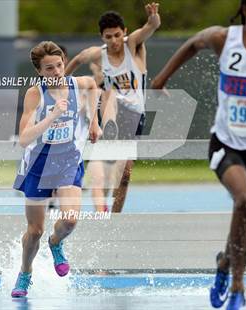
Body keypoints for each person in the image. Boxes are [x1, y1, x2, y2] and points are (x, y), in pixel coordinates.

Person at [152, 0, 246, 308]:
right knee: (245, 200)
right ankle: (237, 288)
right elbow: (192, 44)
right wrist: (161, 79)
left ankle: (223, 264)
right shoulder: (224, 39)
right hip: (226, 144)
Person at [11, 41, 102, 297]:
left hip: (67, 160)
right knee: (35, 231)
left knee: (70, 220)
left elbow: (95, 86)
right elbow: (24, 139)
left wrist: (94, 121)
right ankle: (25, 273)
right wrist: (51, 117)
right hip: (39, 163)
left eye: (59, 65)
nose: (57, 71)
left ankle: (56, 243)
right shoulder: (35, 94)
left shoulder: (78, 84)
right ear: (40, 71)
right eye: (49, 68)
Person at [65, 3, 161, 212]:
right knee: (110, 96)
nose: (114, 41)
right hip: (111, 111)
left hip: (135, 115)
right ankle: (108, 127)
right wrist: (60, 82)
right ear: (102, 37)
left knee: (124, 176)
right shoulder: (98, 54)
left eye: (117, 35)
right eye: (108, 37)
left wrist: (153, 17)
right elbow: (78, 59)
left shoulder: (133, 45)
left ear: (124, 32)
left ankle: (115, 216)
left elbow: (151, 27)